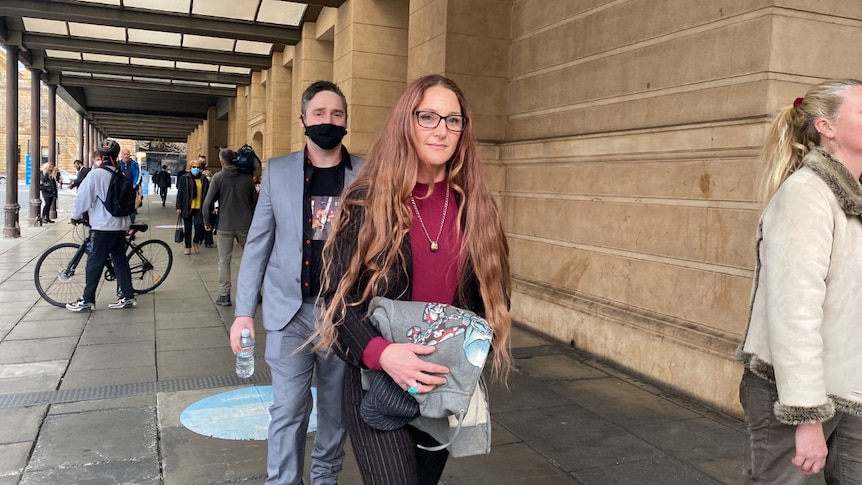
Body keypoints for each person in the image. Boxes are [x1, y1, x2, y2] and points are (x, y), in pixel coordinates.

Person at [315, 74, 512, 485]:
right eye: (428, 117)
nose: (441, 130)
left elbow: (493, 296)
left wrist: (470, 354)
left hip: (440, 381)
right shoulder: (368, 201)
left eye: (453, 120)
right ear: (407, 121)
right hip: (376, 377)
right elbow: (337, 299)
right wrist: (381, 353)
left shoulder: (476, 209)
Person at [229, 80, 364, 485]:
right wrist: (243, 313)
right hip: (290, 313)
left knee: (336, 415)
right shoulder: (278, 171)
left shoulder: (368, 173)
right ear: (303, 120)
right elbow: (258, 244)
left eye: (337, 114)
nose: (328, 121)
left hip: (343, 315)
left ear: (346, 120)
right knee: (287, 409)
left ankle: (325, 479)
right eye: (319, 113)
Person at [737, 79, 862, 484]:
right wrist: (806, 416)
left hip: (851, 388)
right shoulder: (806, 195)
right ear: (827, 127)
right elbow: (794, 313)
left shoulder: (853, 198)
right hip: (795, 392)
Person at [66, 140, 136, 312]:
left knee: (94, 263)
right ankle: (127, 296)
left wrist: (75, 217)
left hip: (104, 226)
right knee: (120, 261)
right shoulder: (121, 174)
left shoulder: (95, 175)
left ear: (101, 157)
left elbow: (82, 199)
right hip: (121, 225)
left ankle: (87, 299)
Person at [203, 148, 257, 307]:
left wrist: (207, 222)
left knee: (224, 261)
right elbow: (255, 202)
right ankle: (254, 293)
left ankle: (224, 294)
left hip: (225, 225)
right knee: (251, 260)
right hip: (246, 224)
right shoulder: (247, 178)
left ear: (221, 162)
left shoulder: (218, 178)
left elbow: (208, 202)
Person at [175, 159, 210, 255]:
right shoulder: (184, 178)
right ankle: (188, 246)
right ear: (190, 168)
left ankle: (196, 242)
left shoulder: (203, 179)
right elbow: (180, 193)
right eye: (194, 167)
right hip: (187, 206)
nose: (196, 169)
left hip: (199, 207)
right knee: (188, 228)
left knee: (199, 226)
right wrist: (178, 206)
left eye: (198, 167)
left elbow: (207, 193)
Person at [119, 148, 142, 222]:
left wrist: (134, 184)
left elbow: (138, 175)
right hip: (121, 189)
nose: (126, 156)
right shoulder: (118, 164)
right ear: (122, 155)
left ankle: (132, 221)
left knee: (132, 206)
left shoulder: (134, 164)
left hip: (132, 189)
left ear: (130, 155)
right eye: (124, 154)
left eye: (127, 154)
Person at [202, 170, 216, 248]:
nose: (208, 177)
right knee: (206, 223)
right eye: (206, 176)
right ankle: (206, 239)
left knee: (210, 224)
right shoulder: (202, 185)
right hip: (204, 206)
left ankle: (208, 240)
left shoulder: (213, 185)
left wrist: (215, 207)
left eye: (209, 176)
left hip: (211, 206)